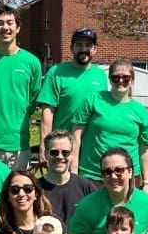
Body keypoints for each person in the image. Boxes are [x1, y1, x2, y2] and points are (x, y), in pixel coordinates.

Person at [0, 4, 42, 169]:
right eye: (0, 23)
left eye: (10, 22)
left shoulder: (32, 63)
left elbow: (32, 101)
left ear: (18, 27)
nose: (5, 27)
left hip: (19, 144)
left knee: (19, 192)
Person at [70, 148, 148, 234]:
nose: (113, 176)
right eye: (107, 172)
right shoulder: (87, 205)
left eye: (119, 170)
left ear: (130, 172)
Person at [72, 59, 148, 188]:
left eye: (125, 77)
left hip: (128, 177)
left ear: (132, 80)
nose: (121, 81)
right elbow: (76, 136)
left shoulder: (140, 111)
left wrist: (147, 182)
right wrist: (74, 171)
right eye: (116, 77)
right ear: (110, 79)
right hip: (94, 175)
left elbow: (145, 149)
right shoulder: (93, 100)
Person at [36, 28, 107, 166]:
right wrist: (44, 145)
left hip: (91, 149)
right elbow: (47, 113)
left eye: (88, 45)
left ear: (95, 49)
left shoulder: (100, 76)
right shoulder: (56, 72)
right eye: (79, 45)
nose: (84, 49)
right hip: (62, 149)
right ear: (71, 48)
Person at [38, 130, 97, 226]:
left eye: (65, 153)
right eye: (54, 152)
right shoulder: (35, 188)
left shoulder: (85, 186)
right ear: (46, 154)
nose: (60, 157)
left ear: (72, 155)